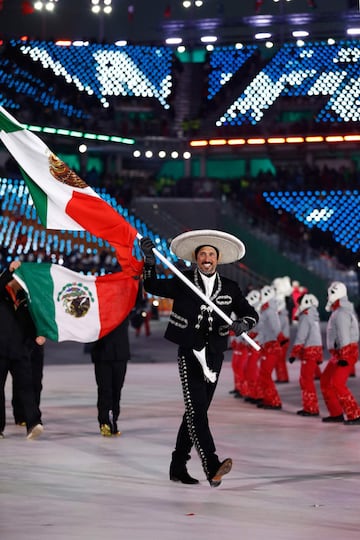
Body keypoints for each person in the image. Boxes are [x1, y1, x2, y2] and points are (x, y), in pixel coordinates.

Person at [139, 230, 259, 487]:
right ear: (196, 258)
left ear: (217, 259)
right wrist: (149, 260)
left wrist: (243, 324)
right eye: (202, 254)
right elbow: (151, 286)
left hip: (215, 356)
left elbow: (250, 314)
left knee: (197, 411)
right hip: (190, 352)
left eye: (211, 255)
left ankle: (177, 464)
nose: (207, 258)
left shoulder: (230, 287)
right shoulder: (183, 281)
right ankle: (211, 465)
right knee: (197, 411)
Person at [0, 261, 44, 439]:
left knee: (27, 387)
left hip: (20, 351)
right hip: (1, 351)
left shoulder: (26, 300)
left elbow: (34, 321)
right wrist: (9, 270)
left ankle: (33, 423)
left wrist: (39, 336)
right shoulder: (1, 294)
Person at [320, 281, 360, 425]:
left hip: (346, 352)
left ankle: (355, 414)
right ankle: (336, 412)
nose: (329, 295)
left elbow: (344, 335)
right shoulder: (338, 311)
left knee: (337, 383)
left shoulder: (342, 312)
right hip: (340, 353)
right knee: (326, 381)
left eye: (332, 292)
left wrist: (344, 354)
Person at [90, 318, 130, 436]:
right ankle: (104, 422)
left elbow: (136, 302)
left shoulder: (124, 305)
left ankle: (113, 420)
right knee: (105, 389)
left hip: (121, 352)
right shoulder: (100, 305)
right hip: (102, 352)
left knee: (117, 389)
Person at [288, 293, 323, 417]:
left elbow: (301, 336)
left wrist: (293, 353)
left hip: (309, 350)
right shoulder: (313, 314)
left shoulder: (306, 315)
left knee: (306, 380)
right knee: (307, 380)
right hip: (315, 349)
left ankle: (311, 408)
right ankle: (310, 407)